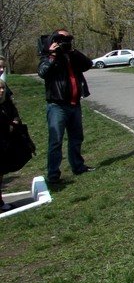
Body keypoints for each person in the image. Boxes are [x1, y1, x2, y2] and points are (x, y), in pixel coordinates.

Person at [38, 28, 93, 184]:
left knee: (76, 138)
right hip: (57, 105)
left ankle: (78, 166)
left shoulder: (71, 55)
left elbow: (88, 64)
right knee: (56, 141)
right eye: (61, 39)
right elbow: (42, 72)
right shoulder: (48, 56)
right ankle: (53, 175)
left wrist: (72, 51)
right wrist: (52, 55)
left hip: (75, 104)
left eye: (68, 38)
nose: (65, 42)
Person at [1, 78, 27, 211]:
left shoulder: (7, 103)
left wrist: (15, 122)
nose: (1, 91)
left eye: (3, 89)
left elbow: (15, 115)